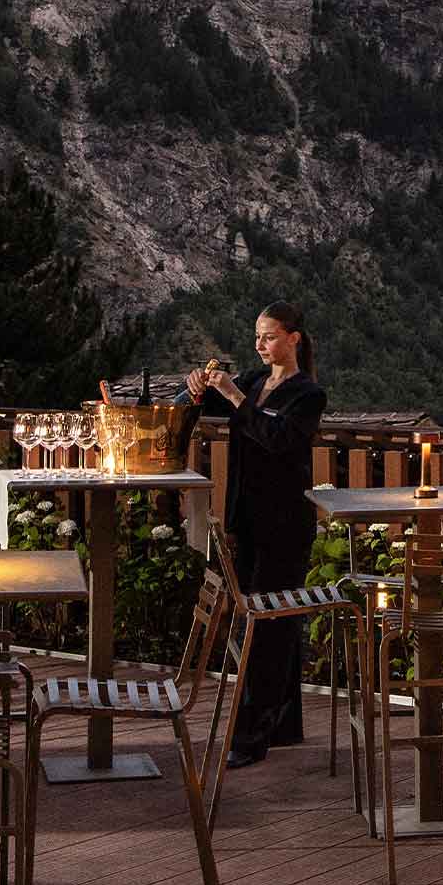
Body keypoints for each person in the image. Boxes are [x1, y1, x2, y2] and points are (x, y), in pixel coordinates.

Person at [188, 303, 326, 768]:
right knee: (271, 622)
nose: (259, 346)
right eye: (257, 337)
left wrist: (233, 396)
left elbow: (278, 438)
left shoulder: (308, 395)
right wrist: (198, 389)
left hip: (285, 524)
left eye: (268, 337)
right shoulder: (251, 380)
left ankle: (250, 738)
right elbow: (213, 406)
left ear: (294, 339)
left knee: (267, 628)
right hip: (246, 518)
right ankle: (283, 726)